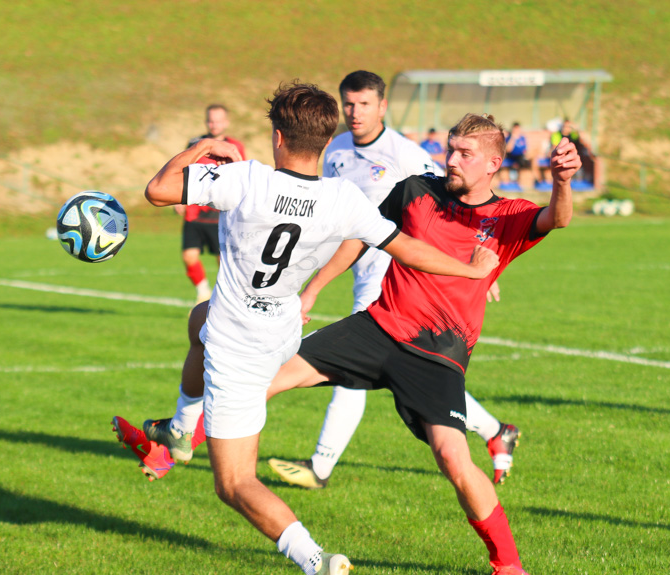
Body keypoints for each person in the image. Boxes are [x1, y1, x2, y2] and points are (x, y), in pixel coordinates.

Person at [121, 81, 500, 575]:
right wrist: (472, 270)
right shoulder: (343, 198)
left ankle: (314, 560)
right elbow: (408, 249)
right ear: (327, 141)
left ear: (278, 137)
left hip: (241, 343)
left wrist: (202, 149)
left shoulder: (247, 180)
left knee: (234, 484)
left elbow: (156, 191)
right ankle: (177, 430)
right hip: (282, 327)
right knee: (199, 320)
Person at [257, 112, 579, 575]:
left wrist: (562, 182)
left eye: (464, 154)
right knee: (263, 379)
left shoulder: (508, 217)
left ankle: (508, 565)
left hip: (437, 356)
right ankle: (178, 440)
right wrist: (314, 288)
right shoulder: (415, 191)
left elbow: (558, 218)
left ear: (492, 163)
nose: (451, 160)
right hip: (377, 328)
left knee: (453, 457)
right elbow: (362, 238)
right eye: (450, 149)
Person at [269, 71, 520, 490]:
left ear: (382, 107)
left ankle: (320, 466)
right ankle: (495, 431)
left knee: (348, 374)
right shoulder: (335, 148)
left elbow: (455, 211)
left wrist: (478, 272)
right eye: (348, 104)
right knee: (415, 379)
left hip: (394, 276)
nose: (354, 112)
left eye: (364, 104)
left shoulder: (407, 156)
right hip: (356, 264)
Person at [178, 104, 247, 303]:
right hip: (194, 212)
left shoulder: (235, 147)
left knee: (222, 262)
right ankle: (202, 293)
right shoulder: (195, 143)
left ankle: (224, 298)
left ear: (226, 122)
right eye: (210, 120)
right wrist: (179, 199)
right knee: (189, 256)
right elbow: (184, 169)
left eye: (218, 120)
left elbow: (242, 176)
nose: (214, 124)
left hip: (219, 214)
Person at [497, 122, 530, 192]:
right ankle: (506, 182)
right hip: (510, 157)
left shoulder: (522, 138)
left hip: (519, 158)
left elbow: (525, 150)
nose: (517, 131)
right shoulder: (509, 138)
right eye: (515, 129)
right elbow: (508, 149)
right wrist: (513, 138)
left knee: (522, 162)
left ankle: (519, 183)